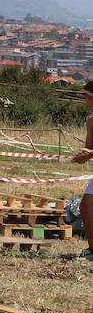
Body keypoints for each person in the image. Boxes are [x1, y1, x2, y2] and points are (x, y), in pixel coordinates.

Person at [72, 79, 93, 260]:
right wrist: (83, 156)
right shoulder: (91, 121)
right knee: (85, 206)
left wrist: (90, 154)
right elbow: (90, 148)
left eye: (86, 94)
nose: (83, 97)